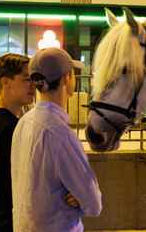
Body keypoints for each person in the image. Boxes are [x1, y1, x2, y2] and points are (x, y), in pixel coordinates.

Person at [10, 47, 102, 231]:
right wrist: (81, 197)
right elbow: (93, 203)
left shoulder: (23, 122)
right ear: (66, 78)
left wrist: (80, 197)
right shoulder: (59, 133)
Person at [0, 54, 35, 232]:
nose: (33, 86)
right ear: (5, 82)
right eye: (27, 79)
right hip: (8, 223)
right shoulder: (8, 128)